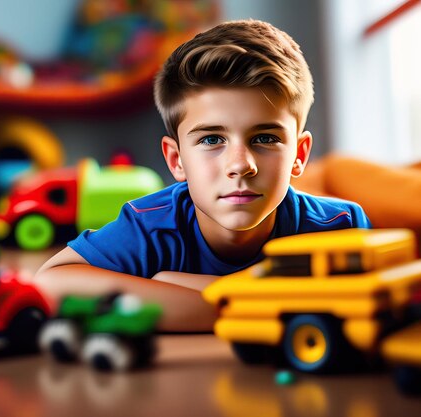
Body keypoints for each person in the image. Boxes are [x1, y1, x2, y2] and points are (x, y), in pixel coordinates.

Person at [34, 19, 371, 332]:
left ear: (299, 155)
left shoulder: (338, 227)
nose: (240, 165)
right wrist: (227, 304)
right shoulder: (150, 225)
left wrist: (173, 287)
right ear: (176, 159)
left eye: (265, 138)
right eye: (212, 140)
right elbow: (49, 284)